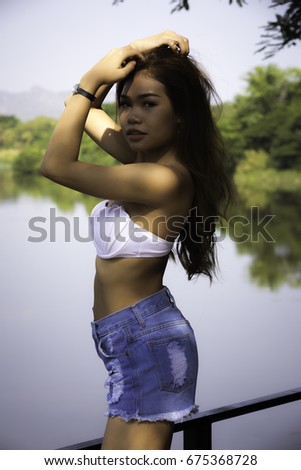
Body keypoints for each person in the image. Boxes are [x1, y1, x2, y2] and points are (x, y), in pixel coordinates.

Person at [40, 31, 233, 450]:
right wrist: (140, 48)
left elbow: (55, 164)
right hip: (129, 344)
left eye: (149, 104)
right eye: (126, 104)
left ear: (180, 115)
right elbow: (81, 106)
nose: (131, 117)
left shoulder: (161, 179)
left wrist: (96, 76)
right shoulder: (142, 164)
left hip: (150, 343)